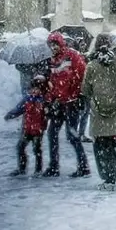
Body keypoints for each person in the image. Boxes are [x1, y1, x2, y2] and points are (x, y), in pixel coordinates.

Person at [81, 41, 116, 191]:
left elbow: (86, 90)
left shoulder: (91, 66)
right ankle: (113, 175)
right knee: (114, 143)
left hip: (98, 113)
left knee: (100, 145)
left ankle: (105, 176)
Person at [44, 31, 90, 178]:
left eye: (55, 44)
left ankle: (83, 166)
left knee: (72, 135)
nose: (53, 47)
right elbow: (53, 82)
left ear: (60, 43)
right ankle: (54, 166)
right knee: (52, 134)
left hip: (71, 103)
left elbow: (80, 76)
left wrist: (78, 94)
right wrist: (50, 99)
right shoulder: (52, 60)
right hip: (58, 104)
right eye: (51, 44)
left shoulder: (72, 56)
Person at [4, 74, 49, 176]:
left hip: (38, 130)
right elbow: (19, 109)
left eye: (36, 89)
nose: (33, 91)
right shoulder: (27, 99)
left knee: (37, 149)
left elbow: (47, 114)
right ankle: (22, 168)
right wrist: (10, 115)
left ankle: (38, 169)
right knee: (20, 147)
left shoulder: (43, 101)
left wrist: (47, 112)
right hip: (27, 128)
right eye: (32, 89)